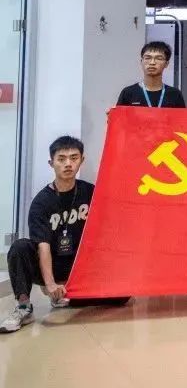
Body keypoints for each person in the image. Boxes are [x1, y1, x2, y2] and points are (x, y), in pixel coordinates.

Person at [3, 137, 129, 334]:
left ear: (82, 160)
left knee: (123, 295)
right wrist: (50, 282)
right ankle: (24, 306)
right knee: (20, 246)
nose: (68, 164)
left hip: (80, 265)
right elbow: (43, 245)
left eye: (74, 158)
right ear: (51, 163)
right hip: (51, 264)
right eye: (61, 159)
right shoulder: (41, 202)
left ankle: (69, 297)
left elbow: (105, 233)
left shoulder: (91, 192)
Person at [116, 41, 187, 108]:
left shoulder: (175, 94)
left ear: (166, 64)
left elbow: (181, 117)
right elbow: (119, 117)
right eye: (148, 58)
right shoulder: (128, 93)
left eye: (159, 58)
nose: (152, 62)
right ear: (141, 62)